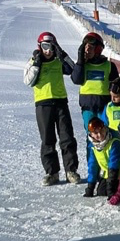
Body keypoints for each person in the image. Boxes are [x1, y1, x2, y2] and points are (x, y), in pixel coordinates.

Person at [23, 32, 80, 186]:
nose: (48, 51)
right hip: (43, 104)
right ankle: (52, 172)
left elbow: (73, 70)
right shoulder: (34, 62)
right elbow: (28, 81)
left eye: (51, 47)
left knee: (67, 137)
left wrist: (62, 54)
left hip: (61, 102)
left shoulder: (58, 61)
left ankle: (71, 170)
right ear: (39, 47)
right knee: (48, 139)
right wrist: (36, 64)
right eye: (45, 46)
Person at [71, 32, 119, 148]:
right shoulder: (83, 65)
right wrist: (80, 62)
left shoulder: (108, 66)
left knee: (107, 135)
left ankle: (109, 163)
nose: (87, 50)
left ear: (98, 50)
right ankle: (93, 165)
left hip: (104, 107)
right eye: (85, 47)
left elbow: (116, 86)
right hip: (88, 108)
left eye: (91, 47)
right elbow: (76, 79)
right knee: (92, 138)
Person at [83, 117, 120, 199]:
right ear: (91, 134)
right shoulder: (93, 146)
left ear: (105, 128)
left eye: (101, 131)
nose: (99, 135)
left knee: (115, 191)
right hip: (107, 175)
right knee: (101, 192)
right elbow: (92, 166)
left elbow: (113, 165)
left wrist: (110, 189)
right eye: (96, 133)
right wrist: (90, 187)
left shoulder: (114, 142)